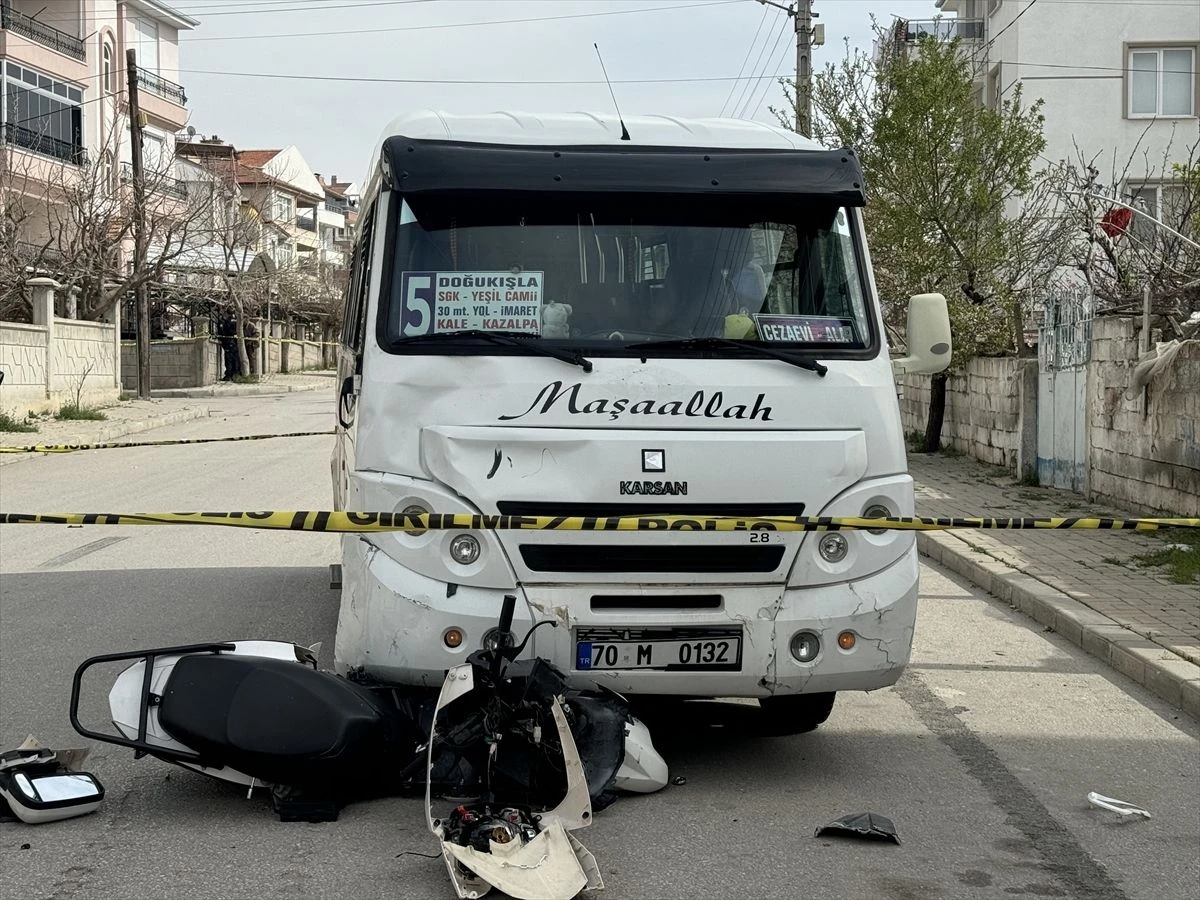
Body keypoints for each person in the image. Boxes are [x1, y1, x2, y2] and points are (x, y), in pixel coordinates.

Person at [217, 308, 238, 381]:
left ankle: (229, 375)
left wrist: (221, 337)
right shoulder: (236, 318)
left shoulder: (227, 320)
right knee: (234, 358)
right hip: (234, 341)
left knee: (228, 359)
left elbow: (224, 331)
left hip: (228, 341)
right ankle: (234, 374)